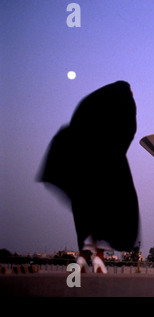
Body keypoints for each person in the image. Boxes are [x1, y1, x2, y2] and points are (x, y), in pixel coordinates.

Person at [38, 81, 140, 273]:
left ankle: (82, 259)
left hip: (81, 167)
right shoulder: (125, 103)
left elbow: (76, 122)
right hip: (107, 167)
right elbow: (130, 129)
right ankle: (100, 259)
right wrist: (117, 152)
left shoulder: (91, 103)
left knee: (85, 211)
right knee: (107, 211)